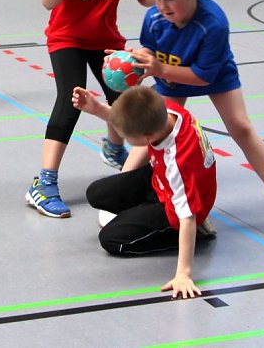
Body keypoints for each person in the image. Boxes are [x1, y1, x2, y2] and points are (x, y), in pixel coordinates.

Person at [129, 0, 264, 229]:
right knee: (150, 130)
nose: (163, 6)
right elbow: (149, 47)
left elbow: (202, 76)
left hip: (211, 74)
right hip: (171, 73)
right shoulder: (154, 17)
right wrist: (134, 63)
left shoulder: (213, 23)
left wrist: (160, 69)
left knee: (241, 127)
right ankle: (121, 192)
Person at [25, 0, 151, 219]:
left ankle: (115, 148)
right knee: (71, 99)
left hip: (106, 38)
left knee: (128, 103)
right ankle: (43, 183)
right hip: (66, 36)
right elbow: (47, 0)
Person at [74, 86, 216, 299]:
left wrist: (183, 274)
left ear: (148, 138)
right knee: (95, 193)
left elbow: (186, 217)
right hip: (159, 177)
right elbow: (131, 117)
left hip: (176, 209)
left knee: (111, 240)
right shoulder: (164, 110)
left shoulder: (178, 161)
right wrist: (97, 109)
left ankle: (197, 231)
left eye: (128, 139)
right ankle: (142, 214)